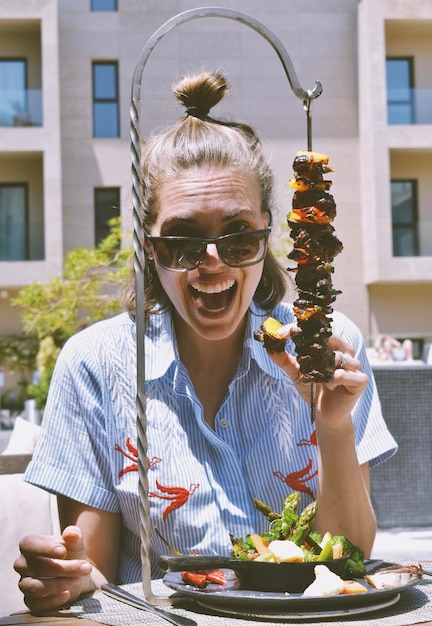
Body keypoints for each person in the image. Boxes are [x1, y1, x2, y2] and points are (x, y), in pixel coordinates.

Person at [14, 70, 397, 613]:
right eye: (184, 240)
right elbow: (92, 575)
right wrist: (64, 577)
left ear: (266, 232)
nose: (213, 261)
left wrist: (332, 424)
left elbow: (348, 561)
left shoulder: (333, 348)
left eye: (238, 235)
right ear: (151, 247)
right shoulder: (94, 363)